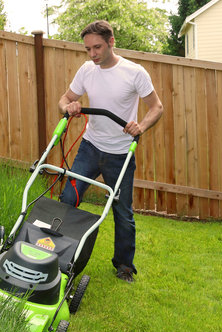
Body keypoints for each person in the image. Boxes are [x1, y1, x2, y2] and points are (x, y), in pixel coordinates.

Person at [58, 20, 163, 283]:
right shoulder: (86, 70)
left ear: (111, 42)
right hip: (90, 148)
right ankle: (58, 254)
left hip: (120, 155)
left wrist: (141, 126)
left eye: (97, 47)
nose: (92, 54)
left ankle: (125, 266)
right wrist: (69, 106)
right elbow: (65, 99)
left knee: (122, 211)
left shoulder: (134, 73)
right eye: (88, 49)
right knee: (69, 198)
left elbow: (156, 107)